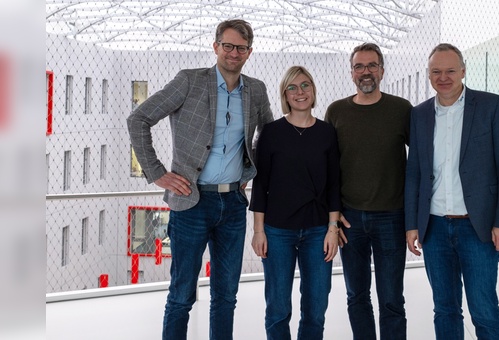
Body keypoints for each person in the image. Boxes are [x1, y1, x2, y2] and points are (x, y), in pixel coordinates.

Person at [126, 19, 274, 340]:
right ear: (215, 47)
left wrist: (251, 169)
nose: (234, 53)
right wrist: (158, 173)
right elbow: (139, 119)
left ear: (250, 52)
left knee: (226, 296)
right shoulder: (189, 82)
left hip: (233, 205)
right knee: (181, 296)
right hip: (191, 204)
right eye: (228, 46)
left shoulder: (256, 90)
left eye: (241, 48)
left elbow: (269, 135)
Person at [405, 43, 499, 340]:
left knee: (484, 310)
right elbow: (415, 173)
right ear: (429, 75)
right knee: (445, 309)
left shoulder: (491, 105)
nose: (443, 77)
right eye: (436, 71)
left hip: (477, 227)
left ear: (463, 71)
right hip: (434, 227)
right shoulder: (419, 115)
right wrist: (412, 224)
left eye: (450, 71)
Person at [324, 43, 412, 340]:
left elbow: (423, 161)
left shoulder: (401, 109)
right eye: (359, 66)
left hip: (392, 217)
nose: (366, 72)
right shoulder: (336, 111)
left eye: (372, 65)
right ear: (351, 73)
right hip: (351, 221)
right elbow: (329, 170)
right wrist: (333, 220)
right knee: (357, 296)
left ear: (382, 71)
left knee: (391, 300)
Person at [250, 66, 341, 340]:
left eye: (305, 86)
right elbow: (261, 183)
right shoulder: (271, 132)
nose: (299, 92)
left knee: (316, 308)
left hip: (317, 231)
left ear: (313, 91)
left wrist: (333, 229)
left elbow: (335, 183)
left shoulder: (327, 132)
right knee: (277, 308)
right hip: (278, 231)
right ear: (285, 95)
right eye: (292, 87)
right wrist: (258, 231)